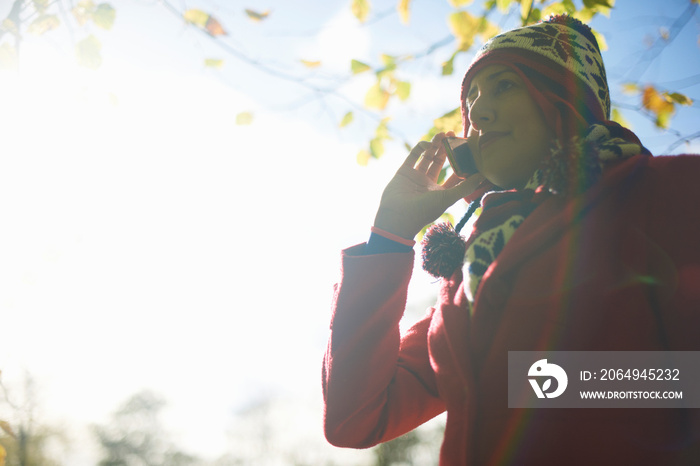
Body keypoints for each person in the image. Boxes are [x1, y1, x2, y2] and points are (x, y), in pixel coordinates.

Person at [322, 14, 700, 465]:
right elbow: (356, 419)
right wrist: (389, 236)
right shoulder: (467, 285)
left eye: (504, 86)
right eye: (472, 99)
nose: (477, 113)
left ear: (562, 101)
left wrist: (532, 379)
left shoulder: (670, 191)